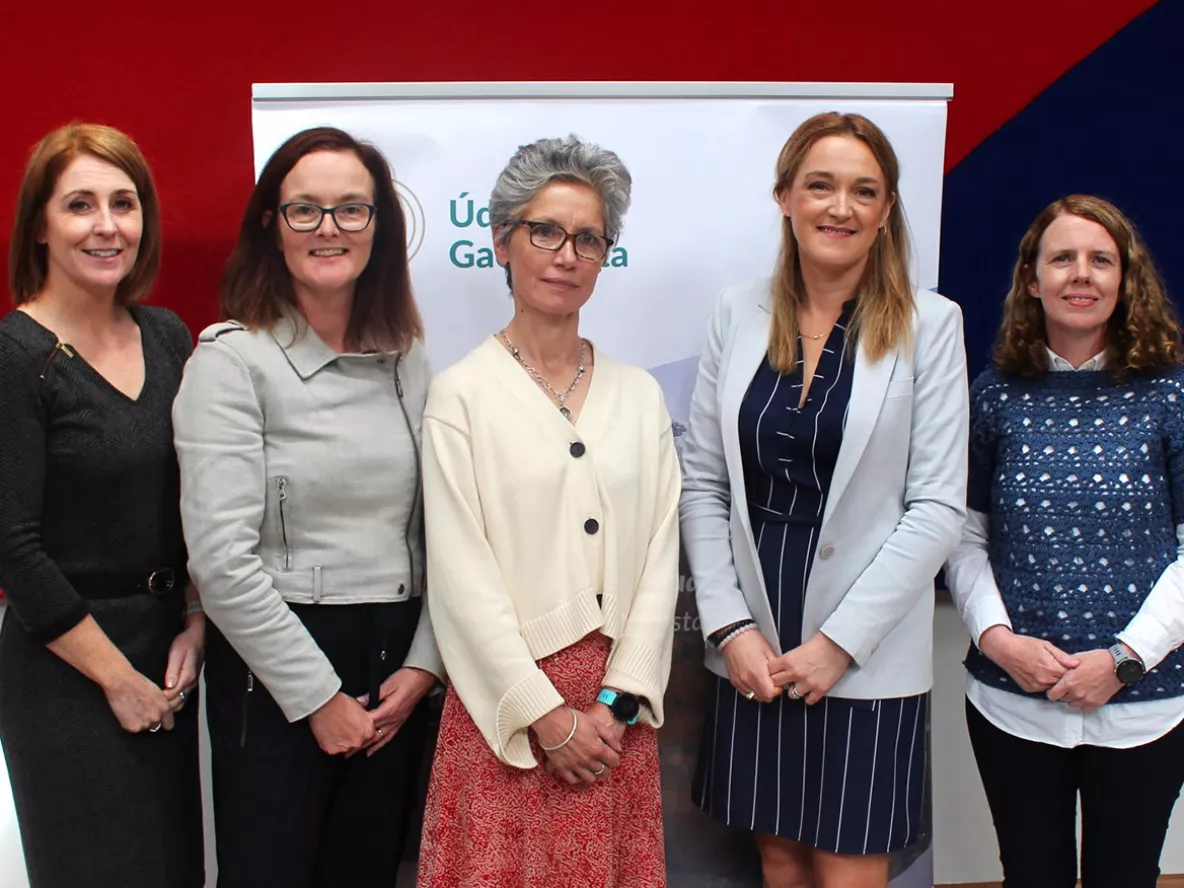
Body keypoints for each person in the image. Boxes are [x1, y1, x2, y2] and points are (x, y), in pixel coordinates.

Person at [680, 111, 968, 888]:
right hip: (755, 643)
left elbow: (939, 506)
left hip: (864, 649)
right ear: (784, 197)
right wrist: (730, 626)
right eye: (821, 185)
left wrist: (839, 642)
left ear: (884, 213)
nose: (839, 207)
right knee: (778, 854)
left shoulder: (932, 326)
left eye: (863, 191)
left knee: (847, 861)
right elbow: (703, 483)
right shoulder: (735, 312)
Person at [173, 126, 442, 888]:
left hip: (396, 664)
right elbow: (221, 562)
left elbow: (442, 529)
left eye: (352, 210)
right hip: (280, 663)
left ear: (379, 227)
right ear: (271, 226)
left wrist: (424, 666)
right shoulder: (231, 361)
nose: (330, 229)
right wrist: (317, 697)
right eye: (306, 211)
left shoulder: (408, 354)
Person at [417, 135, 681, 888]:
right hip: (506, 712)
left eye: (589, 238)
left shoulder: (639, 394)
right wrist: (545, 714)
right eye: (546, 231)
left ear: (606, 255)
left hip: (614, 721)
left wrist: (617, 702)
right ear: (503, 239)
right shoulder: (460, 395)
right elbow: (461, 579)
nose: (567, 254)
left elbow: (661, 559)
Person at [944, 194, 1184, 888]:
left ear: (1124, 279)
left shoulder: (1169, 396)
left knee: (1126, 875)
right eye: (1063, 258)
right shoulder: (995, 397)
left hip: (1145, 706)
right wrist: (998, 641)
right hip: (1013, 702)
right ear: (1031, 279)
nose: (1082, 275)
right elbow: (964, 534)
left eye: (1101, 260)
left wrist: (1125, 659)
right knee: (1030, 874)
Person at [0, 123, 204, 887]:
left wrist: (197, 618)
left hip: (166, 658)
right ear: (42, 225)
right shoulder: (15, 358)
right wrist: (118, 681)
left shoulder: (168, 337)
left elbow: (197, 501)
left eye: (124, 202)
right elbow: (15, 550)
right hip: (67, 676)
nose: (107, 225)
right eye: (80, 205)